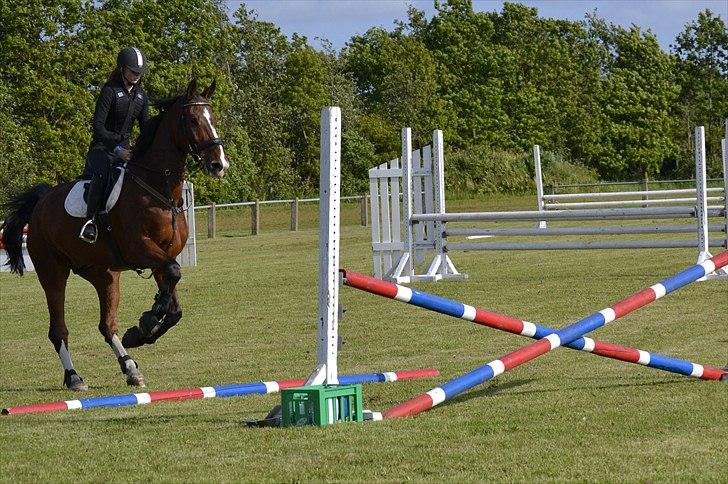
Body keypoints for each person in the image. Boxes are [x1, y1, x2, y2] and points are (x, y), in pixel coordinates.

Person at [79, 46, 150, 243]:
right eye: (133, 71)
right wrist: (118, 149)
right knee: (102, 175)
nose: (137, 75)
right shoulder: (109, 91)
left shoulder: (141, 97)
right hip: (102, 149)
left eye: (139, 73)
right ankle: (90, 222)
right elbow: (98, 128)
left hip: (126, 151)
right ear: (122, 69)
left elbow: (146, 129)